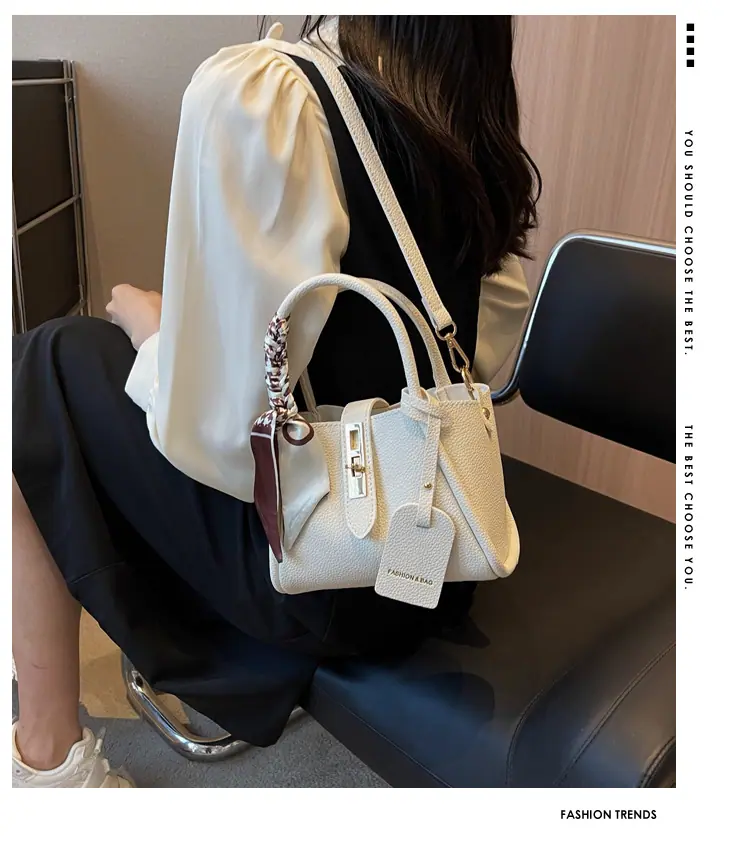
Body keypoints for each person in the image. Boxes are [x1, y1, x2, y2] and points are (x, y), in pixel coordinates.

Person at [12, 16, 540, 788]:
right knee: (78, 370)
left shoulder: (272, 93)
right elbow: (486, 349)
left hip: (324, 571)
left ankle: (48, 762)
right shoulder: (462, 122)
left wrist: (156, 335)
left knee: (49, 362)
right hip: (434, 557)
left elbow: (222, 436)